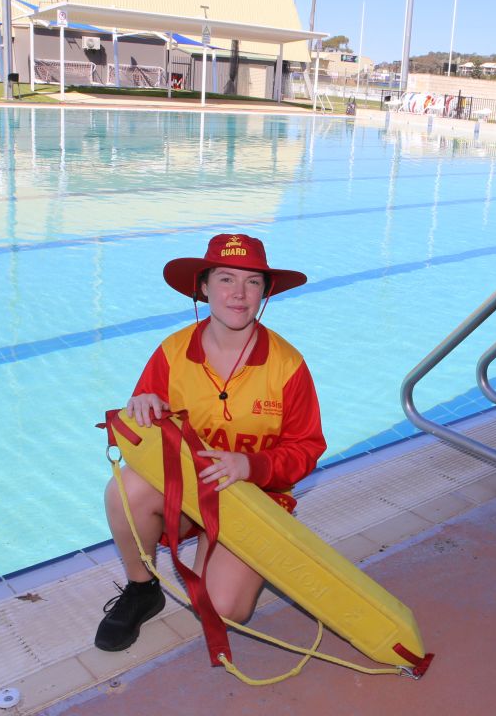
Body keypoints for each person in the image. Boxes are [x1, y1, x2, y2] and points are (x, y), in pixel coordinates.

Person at [95, 233, 326, 651]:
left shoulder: (288, 366)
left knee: (221, 609)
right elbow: (139, 441)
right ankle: (142, 589)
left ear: (265, 292)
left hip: (254, 498)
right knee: (125, 489)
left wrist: (249, 466)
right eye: (225, 279)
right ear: (203, 286)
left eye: (252, 282)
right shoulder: (172, 352)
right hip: (188, 493)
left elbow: (307, 448)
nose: (238, 294)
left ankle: (222, 549)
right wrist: (142, 408)